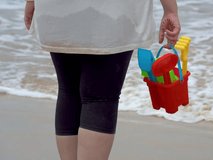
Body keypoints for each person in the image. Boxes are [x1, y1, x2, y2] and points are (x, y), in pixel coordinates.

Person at [24, 0, 180, 159]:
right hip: (113, 11)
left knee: (69, 91)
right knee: (100, 98)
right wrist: (170, 10)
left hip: (56, 9)